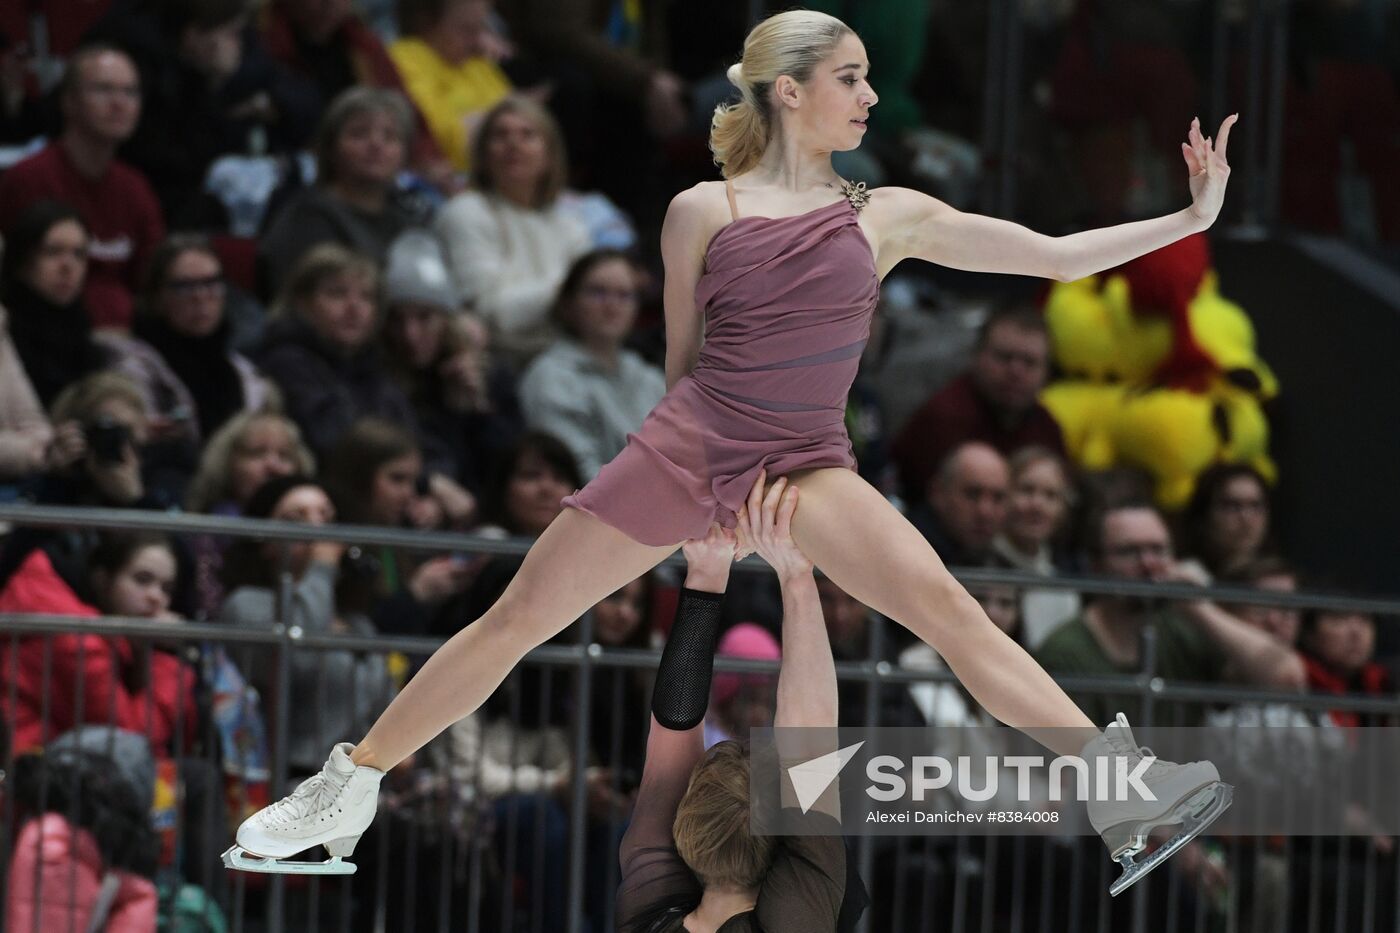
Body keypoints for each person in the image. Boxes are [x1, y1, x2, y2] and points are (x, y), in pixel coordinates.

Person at [228, 10, 1240, 894]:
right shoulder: (700, 210)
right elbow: (681, 366)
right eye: (850, 76)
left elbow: (1054, 257)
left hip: (807, 460)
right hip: (688, 447)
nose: (870, 94)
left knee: (952, 618)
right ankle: (345, 788)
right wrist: (698, 528)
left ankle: (1127, 793)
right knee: (514, 623)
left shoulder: (884, 214)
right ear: (787, 90)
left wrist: (1188, 217)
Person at [616, 474, 868, 931]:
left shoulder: (651, 911)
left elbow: (806, 744)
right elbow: (677, 729)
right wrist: (717, 573)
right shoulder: (647, 910)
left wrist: (790, 573)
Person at [1034, 500, 1305, 726]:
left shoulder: (1181, 631)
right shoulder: (1065, 651)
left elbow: (1286, 678)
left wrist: (1200, 608)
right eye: (1130, 552)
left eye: (1158, 550)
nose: (1149, 564)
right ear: (1096, 565)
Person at [0, 44, 165, 330]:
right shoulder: (26, 180)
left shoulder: (135, 187)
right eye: (103, 90)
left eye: (130, 92)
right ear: (69, 101)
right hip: (47, 337)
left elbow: (155, 282)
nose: (119, 103)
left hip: (128, 336)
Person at [433, 95, 592, 363]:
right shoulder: (465, 211)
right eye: (500, 135)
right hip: (501, 362)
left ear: (550, 156)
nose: (513, 144)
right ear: (483, 154)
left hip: (573, 359)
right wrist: (569, 289)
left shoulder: (571, 225)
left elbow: (591, 312)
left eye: (527, 135)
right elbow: (490, 314)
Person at [102, 233, 275, 450]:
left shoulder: (244, 372)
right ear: (157, 297)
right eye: (185, 286)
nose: (201, 296)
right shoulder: (132, 367)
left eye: (211, 283)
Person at [381, 228, 522, 494]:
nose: (410, 334)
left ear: (447, 319)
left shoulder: (491, 375)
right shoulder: (379, 377)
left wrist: (479, 407)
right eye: (396, 320)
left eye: (424, 318)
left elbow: (510, 467)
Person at [258, 88, 428, 295]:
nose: (376, 144)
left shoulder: (408, 220)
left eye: (390, 136)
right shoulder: (306, 219)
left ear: (405, 155)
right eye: (359, 134)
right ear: (330, 149)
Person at [255, 243, 419, 457]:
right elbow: (332, 443)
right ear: (302, 303)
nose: (354, 307)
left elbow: (415, 446)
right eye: (337, 294)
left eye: (367, 297)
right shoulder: (287, 363)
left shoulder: (374, 367)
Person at [890, 304, 1065, 503]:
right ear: (977, 356)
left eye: (1029, 362)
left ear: (1047, 372)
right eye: (1004, 357)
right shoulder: (943, 419)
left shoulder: (1046, 429)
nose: (1016, 371)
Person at [519, 249, 667, 480]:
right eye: (597, 292)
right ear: (568, 303)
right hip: (597, 510)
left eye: (625, 295)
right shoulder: (551, 376)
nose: (612, 305)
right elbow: (577, 472)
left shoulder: (649, 376)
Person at [0, 201, 111, 408]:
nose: (68, 266)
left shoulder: (81, 326)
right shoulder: (5, 329)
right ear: (21, 258)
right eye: (52, 251)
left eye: (78, 254)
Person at [389, 0, 513, 173]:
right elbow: (441, 138)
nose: (479, 41)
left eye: (482, 28)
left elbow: (520, 115)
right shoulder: (405, 58)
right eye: (467, 30)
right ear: (426, 24)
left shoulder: (474, 63)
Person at [991, 446, 1082, 649]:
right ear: (1003, 495)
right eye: (1026, 490)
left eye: (1051, 496)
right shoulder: (976, 563)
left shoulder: (1064, 590)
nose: (1037, 505)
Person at [906, 441, 1010, 567]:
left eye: (998, 498)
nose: (985, 512)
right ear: (938, 493)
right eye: (972, 494)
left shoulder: (999, 561)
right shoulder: (906, 553)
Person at [1181, 463, 1275, 579]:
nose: (1246, 517)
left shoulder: (1282, 582)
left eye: (1256, 506)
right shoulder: (1185, 578)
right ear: (1204, 516)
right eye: (1232, 506)